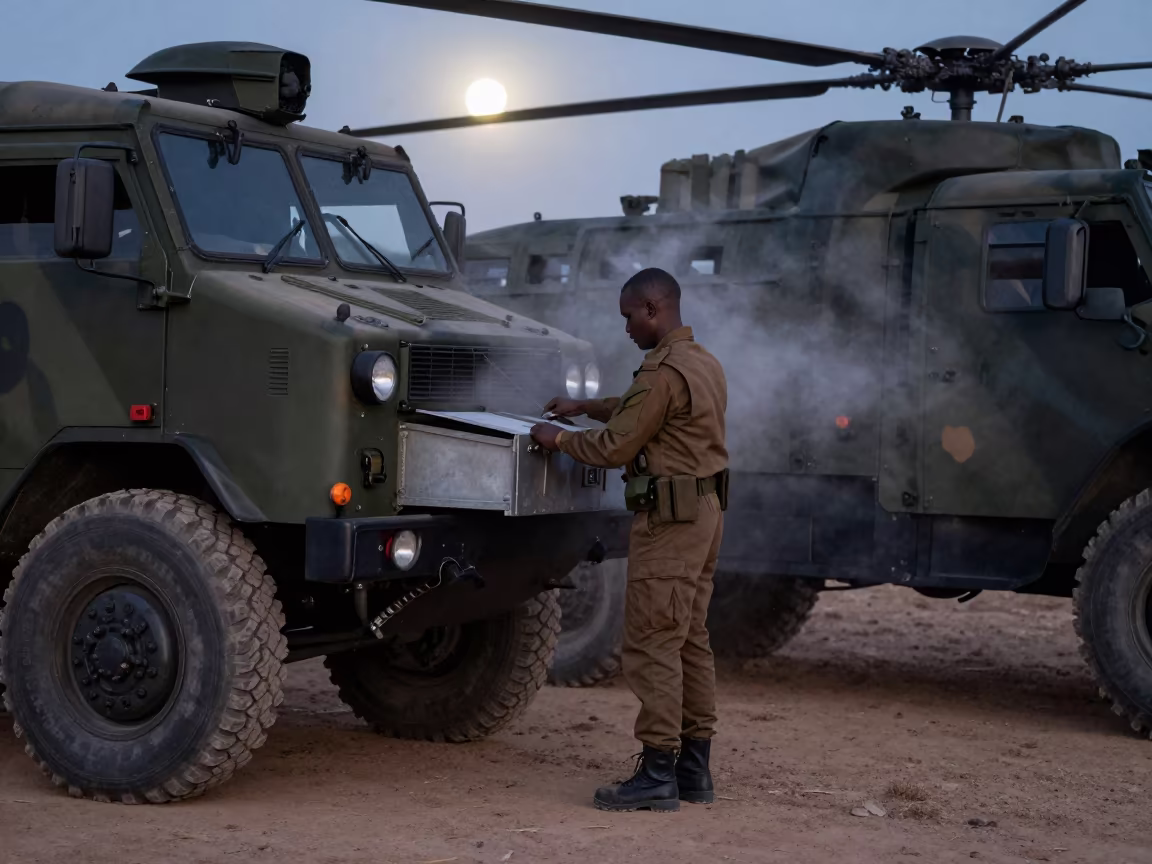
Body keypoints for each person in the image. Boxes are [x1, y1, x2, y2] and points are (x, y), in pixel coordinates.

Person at [530, 267, 728, 813]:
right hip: (705, 512)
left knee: (651, 641)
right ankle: (694, 771)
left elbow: (617, 446)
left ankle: (658, 772)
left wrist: (559, 438)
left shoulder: (662, 371)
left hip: (670, 520)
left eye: (628, 317)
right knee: (689, 638)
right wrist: (586, 406)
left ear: (653, 309)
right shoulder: (703, 362)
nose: (626, 329)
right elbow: (646, 409)